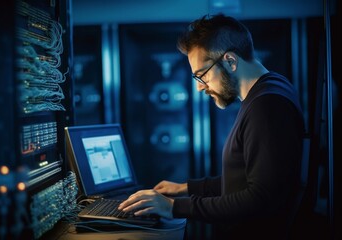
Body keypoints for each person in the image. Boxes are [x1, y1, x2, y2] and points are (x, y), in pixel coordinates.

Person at [118, 13, 305, 240]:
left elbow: (260, 199)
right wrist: (186, 188)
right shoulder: (272, 88)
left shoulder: (267, 106)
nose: (200, 87)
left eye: (202, 76)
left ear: (230, 61)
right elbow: (246, 179)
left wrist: (173, 207)